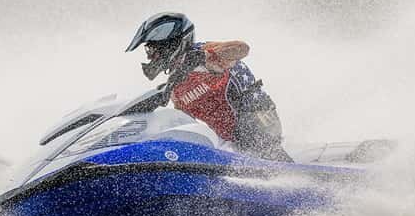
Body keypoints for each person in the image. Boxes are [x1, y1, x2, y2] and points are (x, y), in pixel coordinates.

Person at [125, 12, 292, 161]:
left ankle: (291, 173)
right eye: (149, 51)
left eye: (154, 50)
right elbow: (185, 122)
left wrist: (202, 56)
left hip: (257, 120)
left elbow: (242, 48)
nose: (151, 57)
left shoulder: (205, 52)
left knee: (250, 139)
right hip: (232, 139)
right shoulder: (175, 88)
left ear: (170, 44)